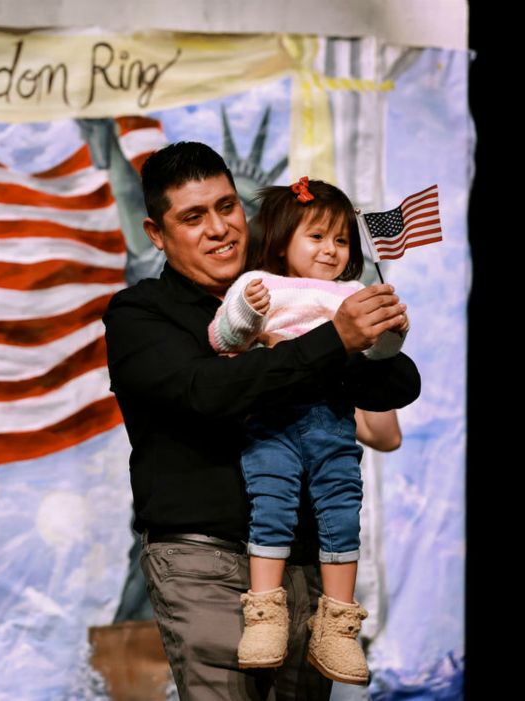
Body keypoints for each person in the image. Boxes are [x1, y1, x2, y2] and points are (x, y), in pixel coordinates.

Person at [102, 141, 420, 700]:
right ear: (156, 233)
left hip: (303, 562)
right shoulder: (141, 314)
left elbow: (398, 383)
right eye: (193, 216)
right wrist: (331, 343)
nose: (219, 228)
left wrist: (364, 333)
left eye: (226, 207)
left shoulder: (299, 297)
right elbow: (208, 392)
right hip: (204, 560)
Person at [208, 179, 407, 683]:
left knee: (342, 510)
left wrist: (390, 337)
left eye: (341, 240)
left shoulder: (354, 294)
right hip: (270, 422)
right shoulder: (260, 283)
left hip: (332, 421)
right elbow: (222, 337)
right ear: (281, 242)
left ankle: (337, 625)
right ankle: (265, 618)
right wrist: (248, 313)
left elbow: (375, 361)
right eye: (316, 237)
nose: (331, 250)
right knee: (270, 507)